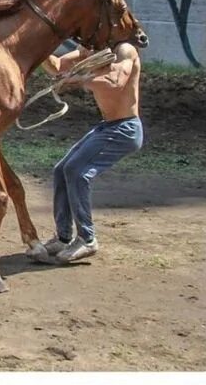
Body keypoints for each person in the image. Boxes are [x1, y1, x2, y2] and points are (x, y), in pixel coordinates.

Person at [39, 42, 143, 263]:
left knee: (77, 172)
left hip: (125, 128)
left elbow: (116, 82)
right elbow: (57, 66)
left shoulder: (124, 50)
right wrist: (36, 46)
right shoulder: (91, 48)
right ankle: (64, 237)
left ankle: (87, 239)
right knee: (61, 170)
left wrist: (76, 81)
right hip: (108, 126)